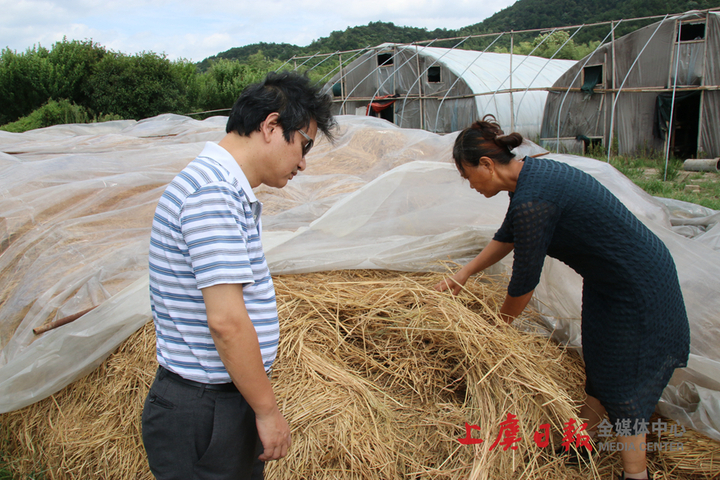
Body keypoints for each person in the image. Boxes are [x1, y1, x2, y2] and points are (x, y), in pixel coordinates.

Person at [434, 116, 690, 480]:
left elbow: (524, 282)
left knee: (623, 382)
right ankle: (580, 442)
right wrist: (464, 272)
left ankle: (636, 475)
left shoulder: (534, 199)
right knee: (600, 362)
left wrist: (496, 329)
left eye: (467, 175)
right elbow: (507, 234)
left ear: (487, 165)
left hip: (639, 286)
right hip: (611, 283)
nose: (469, 185)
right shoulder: (532, 179)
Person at [141, 71, 336, 479]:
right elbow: (227, 322)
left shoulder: (219, 187)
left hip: (217, 400)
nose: (303, 162)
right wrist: (267, 411)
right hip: (205, 409)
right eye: (304, 145)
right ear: (271, 126)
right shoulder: (212, 193)